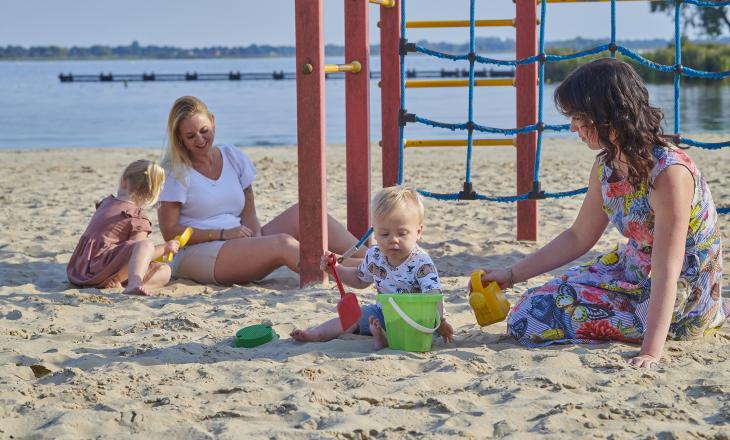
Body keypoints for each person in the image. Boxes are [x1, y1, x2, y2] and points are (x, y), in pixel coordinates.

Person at [474, 58, 726, 369]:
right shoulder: (606, 166)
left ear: (609, 115)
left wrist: (650, 352)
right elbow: (578, 236)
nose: (573, 128)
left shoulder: (668, 173)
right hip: (634, 270)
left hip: (681, 293)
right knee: (531, 307)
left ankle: (654, 330)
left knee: (536, 320)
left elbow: (667, 272)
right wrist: (510, 276)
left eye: (580, 118)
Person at [157, 96, 365, 285]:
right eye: (191, 136)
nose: (200, 140)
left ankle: (373, 257)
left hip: (239, 239)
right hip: (198, 253)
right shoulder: (175, 171)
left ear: (212, 120)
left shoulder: (231, 156)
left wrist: (255, 235)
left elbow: (249, 208)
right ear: (179, 138)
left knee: (305, 214)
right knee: (283, 243)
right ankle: (355, 271)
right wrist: (220, 233)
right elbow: (170, 231)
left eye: (204, 131)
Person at [291, 185, 454, 349]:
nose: (393, 240)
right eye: (384, 234)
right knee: (352, 318)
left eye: (402, 233)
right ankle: (317, 334)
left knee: (411, 334)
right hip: (384, 313)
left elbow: (434, 295)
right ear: (375, 233)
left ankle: (382, 338)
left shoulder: (421, 262)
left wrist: (441, 321)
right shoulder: (375, 255)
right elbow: (359, 279)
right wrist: (335, 270)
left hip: (416, 317)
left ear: (418, 232)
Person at [67, 160, 180, 295]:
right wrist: (165, 248)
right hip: (101, 271)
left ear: (123, 181)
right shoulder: (137, 217)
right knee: (163, 268)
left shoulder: (106, 203)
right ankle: (131, 284)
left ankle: (121, 282)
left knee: (144, 252)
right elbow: (140, 251)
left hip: (79, 269)